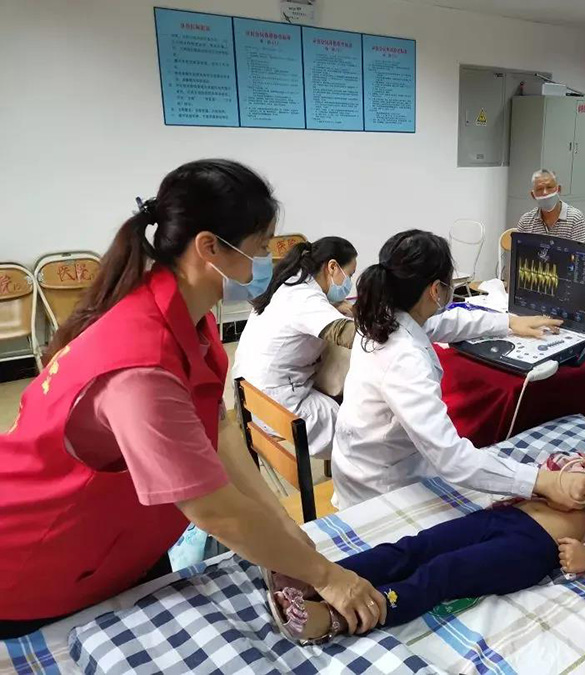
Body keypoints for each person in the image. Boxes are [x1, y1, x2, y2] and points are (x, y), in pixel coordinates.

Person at [0, 160, 385, 639]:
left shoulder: (190, 319)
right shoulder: (141, 365)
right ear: (209, 248)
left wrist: (282, 524)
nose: (267, 262)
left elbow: (218, 431)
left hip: (120, 544)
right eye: (260, 248)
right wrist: (327, 576)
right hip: (37, 560)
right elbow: (213, 510)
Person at [330, 229, 585, 510]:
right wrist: (542, 481)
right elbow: (453, 460)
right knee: (509, 503)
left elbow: (444, 323)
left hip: (361, 464)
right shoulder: (404, 359)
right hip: (380, 489)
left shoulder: (381, 318)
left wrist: (509, 323)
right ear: (435, 290)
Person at [265, 451, 585, 642]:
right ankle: (315, 580)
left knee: (444, 573)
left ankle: (336, 616)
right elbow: (544, 466)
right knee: (414, 547)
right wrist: (573, 470)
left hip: (532, 548)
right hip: (498, 518)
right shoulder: (582, 464)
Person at [233, 237, 357, 459]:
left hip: (249, 395)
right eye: (350, 274)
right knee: (360, 429)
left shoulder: (288, 283)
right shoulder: (306, 298)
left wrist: (335, 306)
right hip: (279, 405)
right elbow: (348, 336)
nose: (349, 283)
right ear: (332, 267)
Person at [516, 169, 585, 243]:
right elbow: (518, 249)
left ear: (559, 189)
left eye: (549, 187)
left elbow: (583, 250)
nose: (545, 193)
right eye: (539, 189)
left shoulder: (575, 218)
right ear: (533, 195)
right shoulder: (526, 221)